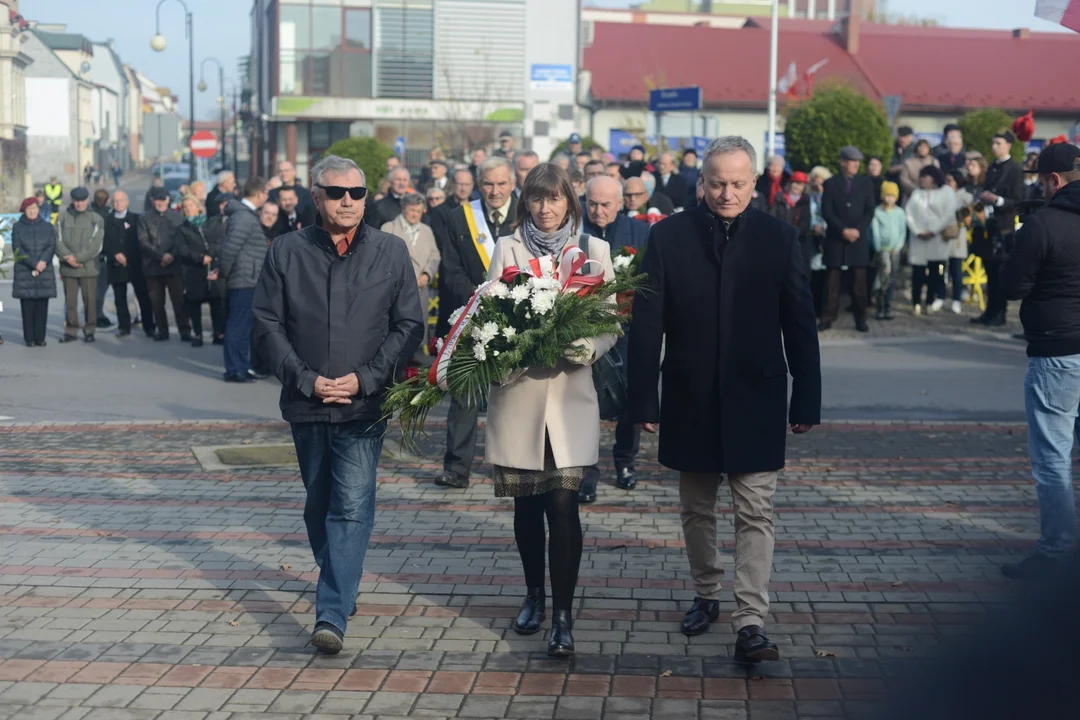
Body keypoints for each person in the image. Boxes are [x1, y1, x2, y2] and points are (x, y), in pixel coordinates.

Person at [627, 136, 821, 663]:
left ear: (755, 184)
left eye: (738, 183)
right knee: (696, 508)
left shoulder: (780, 237)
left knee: (756, 510)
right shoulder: (667, 237)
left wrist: (806, 398)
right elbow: (647, 325)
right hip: (690, 394)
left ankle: (751, 619)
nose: (727, 192)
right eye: (717, 182)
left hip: (757, 394)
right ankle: (706, 592)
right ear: (702, 182)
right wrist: (644, 400)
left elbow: (800, 322)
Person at [252, 154, 424, 654]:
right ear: (315, 196)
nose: (347, 201)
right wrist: (307, 380)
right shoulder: (286, 250)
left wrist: (365, 379)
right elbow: (266, 325)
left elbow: (408, 325)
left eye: (357, 193)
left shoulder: (390, 252)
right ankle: (343, 579)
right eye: (336, 192)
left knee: (351, 505)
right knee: (319, 505)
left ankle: (331, 611)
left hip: (364, 406)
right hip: (307, 403)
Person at [484, 162, 615, 658]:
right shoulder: (507, 247)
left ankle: (563, 614)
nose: (545, 208)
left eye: (554, 198)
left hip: (569, 395)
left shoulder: (594, 250)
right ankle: (533, 595)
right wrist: (515, 346)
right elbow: (490, 313)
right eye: (536, 199)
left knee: (563, 504)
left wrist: (584, 346)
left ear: (570, 202)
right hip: (519, 392)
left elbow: (609, 320)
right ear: (526, 203)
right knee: (526, 504)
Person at [999, 142, 1080, 580]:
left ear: (1052, 180)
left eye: (1041, 181)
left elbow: (1012, 287)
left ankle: (1055, 553)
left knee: (1053, 460)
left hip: (1057, 354)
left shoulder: (1042, 224)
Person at [434, 156, 518, 489]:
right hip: (471, 316)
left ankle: (512, 464)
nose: (494, 191)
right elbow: (450, 270)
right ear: (477, 184)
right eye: (488, 184)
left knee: (514, 394)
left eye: (501, 184)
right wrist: (478, 300)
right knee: (465, 394)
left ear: (512, 183)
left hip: (517, 318)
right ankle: (457, 467)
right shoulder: (459, 218)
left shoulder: (528, 213)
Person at [578, 175, 649, 504]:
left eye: (606, 204)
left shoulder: (640, 232)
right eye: (592, 203)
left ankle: (625, 462)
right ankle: (586, 473)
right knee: (585, 404)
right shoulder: (577, 233)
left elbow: (650, 280)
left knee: (628, 399)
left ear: (621, 204)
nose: (598, 210)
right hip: (586, 331)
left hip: (629, 328)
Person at [818, 147, 876, 332]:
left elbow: (869, 211)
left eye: (858, 162)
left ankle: (860, 318)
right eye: (852, 161)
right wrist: (842, 229)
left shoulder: (866, 183)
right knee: (832, 282)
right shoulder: (830, 183)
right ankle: (827, 317)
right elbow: (827, 211)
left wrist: (857, 230)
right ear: (843, 162)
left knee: (860, 283)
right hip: (836, 238)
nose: (856, 165)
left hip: (857, 240)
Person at [972, 130, 1025, 327]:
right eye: (993, 143)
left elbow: (1018, 201)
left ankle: (1000, 313)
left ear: (1008, 145)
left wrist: (998, 200)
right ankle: (990, 310)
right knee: (989, 271)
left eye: (998, 143)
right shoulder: (993, 167)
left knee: (1000, 272)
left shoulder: (1015, 169)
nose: (994, 147)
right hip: (989, 225)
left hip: (1004, 228)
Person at [220, 177, 270, 382]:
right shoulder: (243, 217)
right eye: (266, 193)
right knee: (238, 326)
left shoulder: (245, 215)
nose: (267, 197)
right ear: (258, 194)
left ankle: (241, 365)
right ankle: (235, 369)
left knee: (242, 325)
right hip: (244, 279)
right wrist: (223, 271)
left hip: (247, 277)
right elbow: (230, 249)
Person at [383, 193, 439, 353]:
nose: (415, 214)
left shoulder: (427, 231)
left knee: (417, 336)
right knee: (396, 334)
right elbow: (383, 259)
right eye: (411, 210)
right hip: (396, 289)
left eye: (418, 211)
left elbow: (435, 256)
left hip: (421, 288)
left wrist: (427, 275)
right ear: (403, 208)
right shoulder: (388, 228)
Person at [138, 186, 189, 342]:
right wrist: (160, 256)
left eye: (162, 200)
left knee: (179, 300)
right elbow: (143, 241)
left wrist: (171, 255)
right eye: (157, 200)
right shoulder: (144, 218)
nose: (159, 203)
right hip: (152, 266)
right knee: (157, 302)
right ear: (152, 201)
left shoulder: (177, 217)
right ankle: (162, 330)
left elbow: (181, 239)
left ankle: (185, 330)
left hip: (174, 266)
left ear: (168, 200)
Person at [174, 194, 225, 348]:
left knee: (216, 302)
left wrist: (211, 255)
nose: (189, 208)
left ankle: (218, 333)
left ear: (198, 206)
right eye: (185, 207)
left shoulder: (210, 223)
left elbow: (219, 241)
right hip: (193, 269)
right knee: (194, 304)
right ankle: (198, 334)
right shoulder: (182, 228)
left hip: (212, 267)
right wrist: (199, 257)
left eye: (191, 205)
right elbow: (182, 249)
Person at [55, 187, 104, 343]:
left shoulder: (96, 218)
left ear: (87, 200)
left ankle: (89, 330)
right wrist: (67, 257)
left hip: (88, 268)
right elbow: (56, 240)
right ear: (72, 201)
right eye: (76, 201)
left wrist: (78, 259)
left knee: (90, 301)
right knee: (70, 301)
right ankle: (71, 330)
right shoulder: (62, 217)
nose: (79, 204)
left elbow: (96, 245)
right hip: (68, 267)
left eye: (82, 201)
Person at [906, 166, 957, 316]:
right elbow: (908, 213)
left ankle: (930, 301)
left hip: (938, 239)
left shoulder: (946, 192)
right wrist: (917, 231)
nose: (922, 180)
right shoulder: (917, 193)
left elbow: (949, 214)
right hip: (919, 239)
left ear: (933, 178)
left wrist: (934, 230)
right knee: (918, 273)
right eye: (920, 177)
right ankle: (916, 302)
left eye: (925, 176)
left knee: (937, 272)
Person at [103, 191, 152, 338]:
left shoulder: (136, 219)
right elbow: (105, 242)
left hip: (135, 264)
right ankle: (124, 326)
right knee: (120, 298)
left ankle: (149, 326)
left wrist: (128, 256)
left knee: (143, 296)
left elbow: (141, 241)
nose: (118, 203)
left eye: (121, 200)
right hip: (115, 264)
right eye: (115, 201)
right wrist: (115, 255)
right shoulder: (107, 220)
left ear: (127, 202)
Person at [11, 196, 57, 347]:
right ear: (24, 211)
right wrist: (34, 263)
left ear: (39, 209)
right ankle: (29, 338)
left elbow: (51, 245)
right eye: (29, 209)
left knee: (42, 306)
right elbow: (17, 248)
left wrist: (43, 262)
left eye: (35, 208)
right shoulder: (18, 227)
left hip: (44, 270)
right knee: (28, 307)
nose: (32, 211)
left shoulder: (48, 226)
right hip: (25, 271)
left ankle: (40, 337)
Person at [870, 181, 907, 320]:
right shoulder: (877, 211)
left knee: (891, 279)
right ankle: (879, 306)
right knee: (881, 278)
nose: (889, 198)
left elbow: (902, 231)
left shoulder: (900, 212)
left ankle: (888, 305)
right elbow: (875, 231)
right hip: (882, 251)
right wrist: (878, 247)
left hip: (894, 251)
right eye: (887, 195)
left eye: (892, 195)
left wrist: (898, 247)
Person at [201, 196, 230, 345]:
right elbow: (206, 242)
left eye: (225, 203)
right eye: (220, 204)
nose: (222, 207)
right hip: (215, 266)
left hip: (230, 267)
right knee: (216, 302)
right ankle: (217, 332)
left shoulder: (235, 221)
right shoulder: (212, 221)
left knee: (227, 303)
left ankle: (226, 332)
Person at [946, 170, 974, 313]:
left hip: (958, 234)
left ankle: (956, 298)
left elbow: (968, 216)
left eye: (950, 180)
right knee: (941, 269)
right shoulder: (942, 194)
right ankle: (940, 296)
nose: (948, 183)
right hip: (943, 235)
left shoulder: (966, 196)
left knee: (957, 269)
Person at [770, 171, 811, 270]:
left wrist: (793, 234)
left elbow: (805, 222)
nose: (797, 186)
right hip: (781, 240)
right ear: (790, 184)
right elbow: (773, 217)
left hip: (799, 242)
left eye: (800, 184)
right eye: (795, 183)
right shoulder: (779, 198)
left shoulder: (806, 201)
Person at [807, 166, 831, 316]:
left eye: (821, 184)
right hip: (813, 237)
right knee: (814, 274)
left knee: (828, 276)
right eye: (815, 184)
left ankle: (825, 308)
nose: (818, 187)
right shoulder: (809, 198)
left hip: (828, 236)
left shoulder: (830, 197)